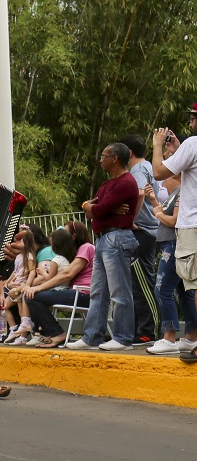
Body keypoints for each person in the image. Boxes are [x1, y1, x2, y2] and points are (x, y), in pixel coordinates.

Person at [67, 143, 141, 350]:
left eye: (104, 156)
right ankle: (92, 336)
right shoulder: (108, 184)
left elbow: (99, 210)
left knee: (119, 291)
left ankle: (123, 337)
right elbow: (92, 209)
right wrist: (87, 206)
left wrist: (95, 208)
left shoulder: (125, 183)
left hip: (116, 238)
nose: (100, 160)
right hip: (103, 239)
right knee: (98, 291)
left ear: (115, 159)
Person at [152, 100, 197, 361]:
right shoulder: (189, 147)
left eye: (193, 118)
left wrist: (158, 145)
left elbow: (159, 172)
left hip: (192, 226)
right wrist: (178, 151)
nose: (190, 123)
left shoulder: (193, 143)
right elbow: (187, 176)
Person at [143, 174, 197, 354]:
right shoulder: (176, 191)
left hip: (174, 244)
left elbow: (173, 221)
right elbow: (162, 211)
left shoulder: (183, 191)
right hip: (170, 244)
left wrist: (157, 213)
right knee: (184, 291)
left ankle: (169, 337)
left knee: (162, 289)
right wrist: (153, 201)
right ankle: (191, 336)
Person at [22, 222, 95, 347]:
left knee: (33, 296)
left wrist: (39, 287)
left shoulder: (87, 247)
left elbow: (67, 274)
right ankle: (46, 333)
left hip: (84, 294)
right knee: (32, 295)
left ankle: (56, 333)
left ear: (74, 235)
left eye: (65, 232)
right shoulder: (77, 251)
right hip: (76, 293)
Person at [119, 134, 161, 344]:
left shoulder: (138, 170)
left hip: (143, 231)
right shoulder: (148, 167)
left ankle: (147, 331)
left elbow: (140, 193)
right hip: (149, 230)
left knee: (142, 282)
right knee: (138, 281)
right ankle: (140, 329)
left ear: (129, 153)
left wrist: (130, 220)